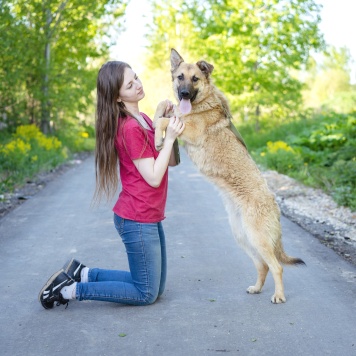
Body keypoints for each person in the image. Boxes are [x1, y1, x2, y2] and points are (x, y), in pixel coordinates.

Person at [38, 61, 185, 309]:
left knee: (154, 288)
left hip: (149, 215)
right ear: (117, 96)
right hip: (137, 219)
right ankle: (69, 290)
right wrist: (168, 137)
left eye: (136, 78)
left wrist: (168, 129)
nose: (138, 85)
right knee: (145, 293)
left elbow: (171, 162)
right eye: (130, 85)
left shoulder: (146, 120)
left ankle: (83, 273)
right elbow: (152, 177)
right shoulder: (129, 128)